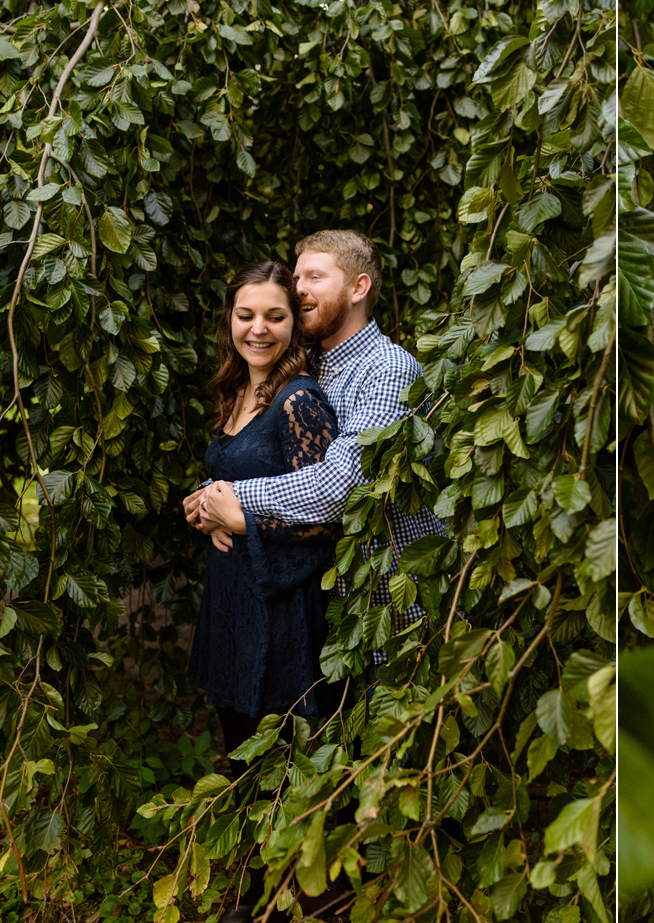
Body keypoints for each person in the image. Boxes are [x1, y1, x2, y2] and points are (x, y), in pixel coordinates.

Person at [186, 231, 446, 667]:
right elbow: (259, 450)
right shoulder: (301, 361)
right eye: (296, 275)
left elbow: (341, 486)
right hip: (321, 615)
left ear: (358, 288)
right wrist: (209, 497)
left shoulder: (388, 370)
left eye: (314, 277)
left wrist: (235, 503)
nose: (297, 288)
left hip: (388, 612)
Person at [188, 261, 343, 923]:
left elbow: (323, 514)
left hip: (279, 609)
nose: (259, 328)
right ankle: (252, 887)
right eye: (246, 314)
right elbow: (223, 484)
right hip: (232, 604)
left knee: (281, 760)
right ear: (230, 321)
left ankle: (278, 900)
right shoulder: (234, 390)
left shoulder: (300, 400)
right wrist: (198, 507)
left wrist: (239, 517)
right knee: (241, 754)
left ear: (293, 324)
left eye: (275, 316)